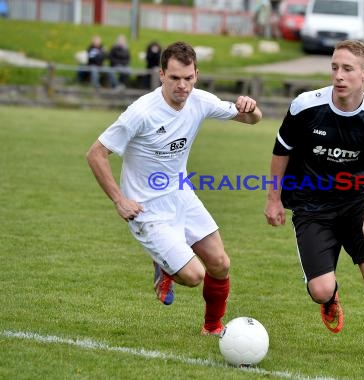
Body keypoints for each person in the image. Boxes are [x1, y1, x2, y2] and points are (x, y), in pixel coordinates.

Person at [86, 41, 262, 336]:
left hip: (182, 195)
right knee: (194, 276)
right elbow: (96, 153)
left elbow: (251, 119)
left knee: (220, 263)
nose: (183, 86)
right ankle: (165, 267)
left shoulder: (200, 100)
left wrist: (251, 108)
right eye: (175, 78)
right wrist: (119, 200)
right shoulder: (141, 112)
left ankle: (213, 327)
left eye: (189, 78)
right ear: (161, 75)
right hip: (146, 209)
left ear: (196, 74)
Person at [264, 40, 364, 360]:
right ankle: (330, 297)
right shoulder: (305, 107)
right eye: (334, 67)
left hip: (357, 207)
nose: (339, 75)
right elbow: (281, 152)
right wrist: (273, 199)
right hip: (311, 208)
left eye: (347, 69)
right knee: (320, 290)